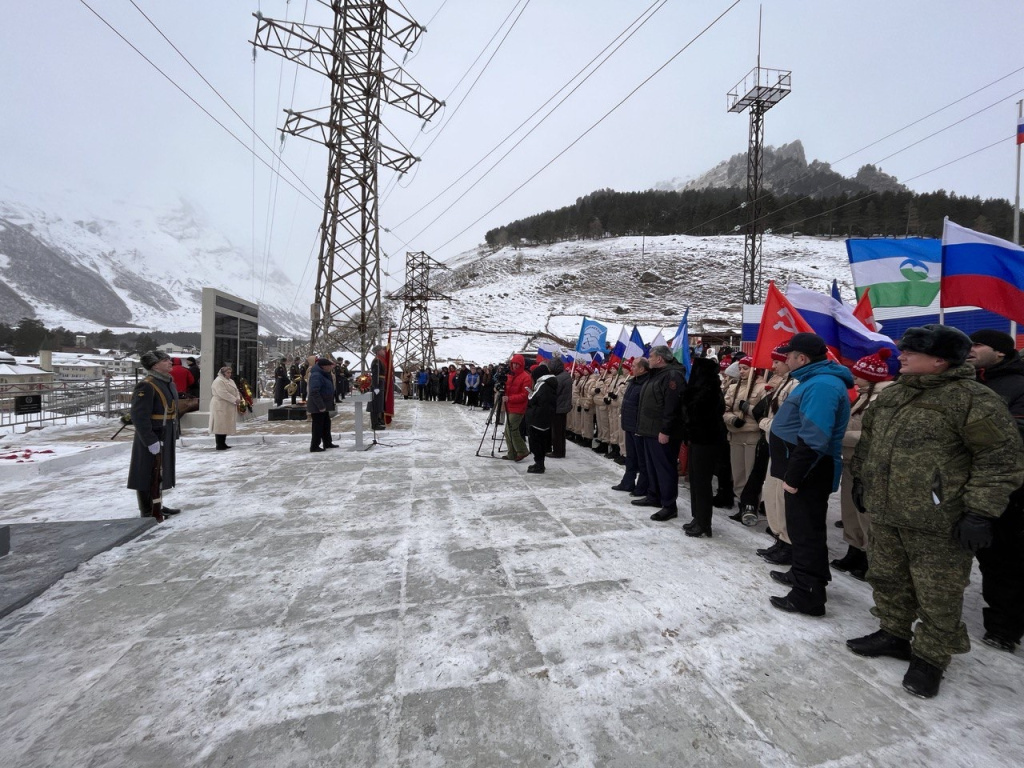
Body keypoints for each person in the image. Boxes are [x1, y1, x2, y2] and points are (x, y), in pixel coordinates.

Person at [847, 325, 1024, 699]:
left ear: (940, 360)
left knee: (938, 594)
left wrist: (980, 513)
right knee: (888, 578)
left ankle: (931, 657)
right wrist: (862, 479)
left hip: (938, 522)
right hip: (887, 511)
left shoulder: (973, 400)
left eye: (911, 351)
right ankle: (894, 633)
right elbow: (870, 443)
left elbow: (1000, 462)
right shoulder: (893, 396)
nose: (902, 356)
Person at [766, 332, 852, 617]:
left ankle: (808, 596)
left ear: (801, 358)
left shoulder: (823, 385)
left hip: (809, 470)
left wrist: (794, 477)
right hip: (802, 467)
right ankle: (806, 576)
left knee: (806, 532)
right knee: (804, 530)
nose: (786, 360)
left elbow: (815, 436)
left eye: (788, 356)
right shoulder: (814, 381)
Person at [966, 329, 1024, 653]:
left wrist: (964, 425)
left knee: (1004, 559)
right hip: (967, 482)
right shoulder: (970, 383)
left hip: (1008, 489)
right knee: (980, 553)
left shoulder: (1018, 385)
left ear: (1000, 353)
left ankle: (1005, 626)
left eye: (978, 344)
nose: (970, 349)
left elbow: (1015, 436)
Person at [833, 348, 896, 580]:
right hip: (851, 460)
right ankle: (854, 548)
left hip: (868, 464)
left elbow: (872, 435)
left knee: (865, 512)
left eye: (858, 374)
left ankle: (871, 556)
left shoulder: (883, 400)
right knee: (849, 509)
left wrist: (837, 436)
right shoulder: (861, 395)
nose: (854, 377)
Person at [632, 345, 687, 522]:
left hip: (661, 432)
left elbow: (672, 406)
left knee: (665, 468)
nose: (648, 359)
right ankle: (654, 495)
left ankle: (669, 505)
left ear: (660, 359)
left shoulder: (672, 375)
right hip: (649, 430)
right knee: (652, 466)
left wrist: (666, 430)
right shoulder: (656, 374)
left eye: (651, 356)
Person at [126, 350, 181, 518]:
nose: (170, 362)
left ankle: (157, 503)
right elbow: (139, 416)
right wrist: (150, 440)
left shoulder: (167, 382)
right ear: (155, 365)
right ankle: (147, 509)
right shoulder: (147, 384)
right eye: (166, 360)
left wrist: (175, 431)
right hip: (152, 433)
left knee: (160, 470)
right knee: (145, 471)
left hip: (166, 431)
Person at [681, 357, 728, 537]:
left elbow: (698, 413)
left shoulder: (709, 391)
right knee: (695, 480)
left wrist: (687, 399)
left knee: (702, 482)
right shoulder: (701, 389)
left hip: (706, 440)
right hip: (698, 439)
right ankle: (697, 517)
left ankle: (704, 523)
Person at [613, 358, 650, 494]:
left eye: (634, 366)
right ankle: (627, 482)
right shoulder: (633, 382)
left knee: (641, 459)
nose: (631, 368)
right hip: (629, 425)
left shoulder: (646, 383)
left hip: (638, 427)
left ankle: (642, 486)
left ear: (642, 369)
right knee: (631, 457)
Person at [525, 363, 558, 473]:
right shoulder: (549, 384)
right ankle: (539, 463)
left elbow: (536, 400)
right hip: (544, 418)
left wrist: (532, 409)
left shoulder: (543, 385)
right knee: (540, 442)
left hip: (538, 418)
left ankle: (539, 465)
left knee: (536, 442)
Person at [502, 354, 532, 461]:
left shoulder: (526, 377)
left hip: (518, 407)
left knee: (512, 429)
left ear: (521, 364)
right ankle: (512, 453)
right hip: (509, 406)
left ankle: (522, 450)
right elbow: (507, 389)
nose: (514, 366)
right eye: (513, 363)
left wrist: (509, 398)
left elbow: (525, 395)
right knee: (507, 431)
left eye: (517, 364)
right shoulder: (510, 375)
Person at [307, 357, 338, 452]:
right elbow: (314, 392)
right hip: (318, 406)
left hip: (324, 405)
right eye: (329, 366)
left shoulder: (323, 374)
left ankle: (327, 442)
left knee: (326, 424)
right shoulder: (317, 375)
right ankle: (314, 446)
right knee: (318, 426)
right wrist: (321, 406)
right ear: (324, 366)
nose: (331, 368)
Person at [209, 365, 240, 450]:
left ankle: (223, 442)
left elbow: (236, 390)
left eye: (230, 372)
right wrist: (234, 399)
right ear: (223, 373)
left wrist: (237, 398)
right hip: (220, 405)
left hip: (228, 405)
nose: (229, 374)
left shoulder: (230, 381)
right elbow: (222, 393)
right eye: (227, 372)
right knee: (219, 424)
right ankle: (219, 444)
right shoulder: (218, 381)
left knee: (225, 424)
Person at [370, 346, 388, 430]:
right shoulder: (377, 361)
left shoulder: (380, 360)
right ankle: (374, 424)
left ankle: (378, 420)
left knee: (379, 404)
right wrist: (376, 387)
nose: (384, 351)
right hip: (378, 384)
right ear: (378, 351)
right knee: (375, 405)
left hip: (381, 383)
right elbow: (375, 375)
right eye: (382, 350)